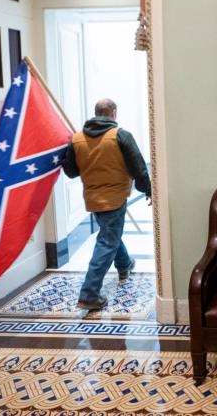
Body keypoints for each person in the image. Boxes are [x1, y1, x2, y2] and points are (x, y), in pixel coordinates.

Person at [62, 98, 151, 311]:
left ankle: (124, 264)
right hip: (115, 197)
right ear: (113, 113)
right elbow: (138, 168)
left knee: (109, 234)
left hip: (92, 198)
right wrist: (148, 189)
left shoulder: (77, 139)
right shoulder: (120, 135)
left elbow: (71, 171)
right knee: (106, 241)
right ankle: (89, 293)